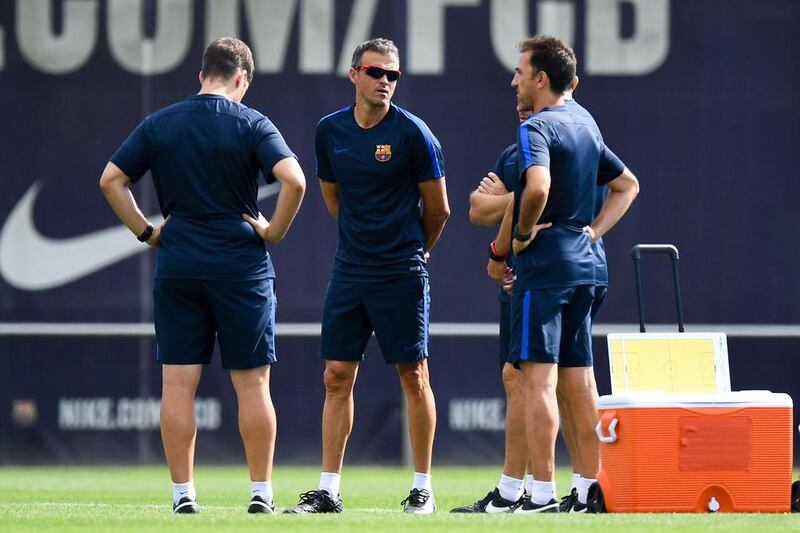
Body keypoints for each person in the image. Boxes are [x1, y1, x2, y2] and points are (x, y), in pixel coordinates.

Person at [99, 37, 306, 514]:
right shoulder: (252, 122)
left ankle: (183, 497)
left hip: (180, 263)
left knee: (177, 385)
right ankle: (260, 495)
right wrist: (272, 231)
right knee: (253, 386)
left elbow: (111, 179)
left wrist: (147, 232)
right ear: (242, 79)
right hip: (241, 266)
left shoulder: (161, 122)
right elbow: (295, 180)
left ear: (201, 75)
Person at [284, 37, 449, 515]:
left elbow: (438, 210)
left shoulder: (414, 134)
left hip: (400, 270)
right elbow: (332, 197)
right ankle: (329, 491)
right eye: (376, 72)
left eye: (393, 75)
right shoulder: (329, 130)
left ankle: (423, 488)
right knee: (336, 376)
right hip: (350, 270)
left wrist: (416, 250)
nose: (385, 82)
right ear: (354, 73)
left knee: (414, 376)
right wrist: (362, 239)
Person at [497, 36, 639, 513]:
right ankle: (589, 488)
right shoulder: (586, 122)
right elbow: (627, 185)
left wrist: (518, 237)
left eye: (519, 71)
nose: (513, 79)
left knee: (539, 381)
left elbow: (536, 186)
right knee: (580, 382)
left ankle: (540, 494)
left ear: (540, 79)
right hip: (589, 265)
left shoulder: (537, 126)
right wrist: (594, 232)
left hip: (549, 264)